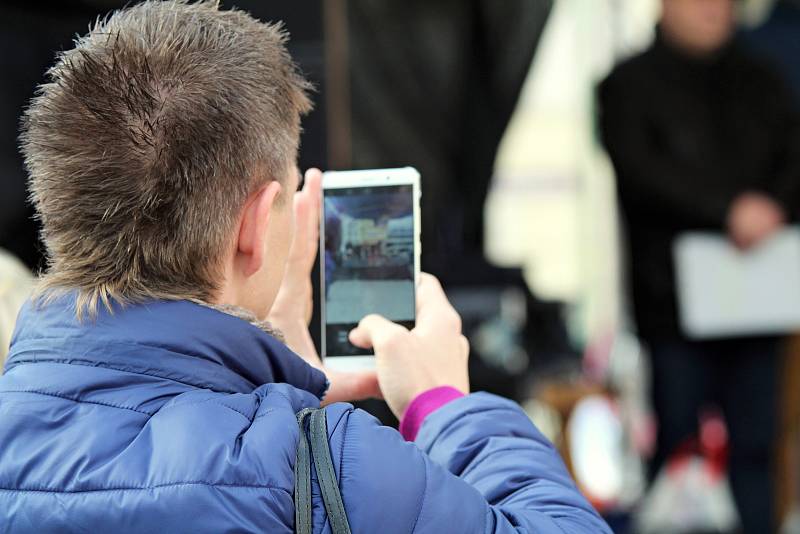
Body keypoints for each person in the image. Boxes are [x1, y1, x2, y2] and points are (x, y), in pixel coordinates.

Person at [0, 2, 610, 532]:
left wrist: (274, 391)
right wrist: (445, 407)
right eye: (290, 193)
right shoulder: (327, 467)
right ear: (257, 224)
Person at [599, 0, 800, 531]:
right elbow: (644, 176)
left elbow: (792, 157)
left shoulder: (763, 80)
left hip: (761, 299)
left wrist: (770, 208)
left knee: (758, 449)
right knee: (678, 450)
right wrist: (727, 210)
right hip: (672, 308)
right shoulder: (627, 84)